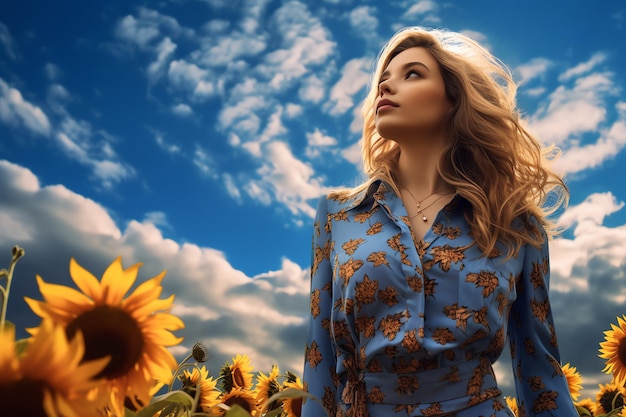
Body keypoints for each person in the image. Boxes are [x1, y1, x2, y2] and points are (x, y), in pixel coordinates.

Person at [301, 27, 578, 417]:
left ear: (453, 99)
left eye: (411, 74)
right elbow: (320, 360)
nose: (386, 87)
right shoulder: (338, 215)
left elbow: (538, 368)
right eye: (383, 80)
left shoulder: (514, 222)